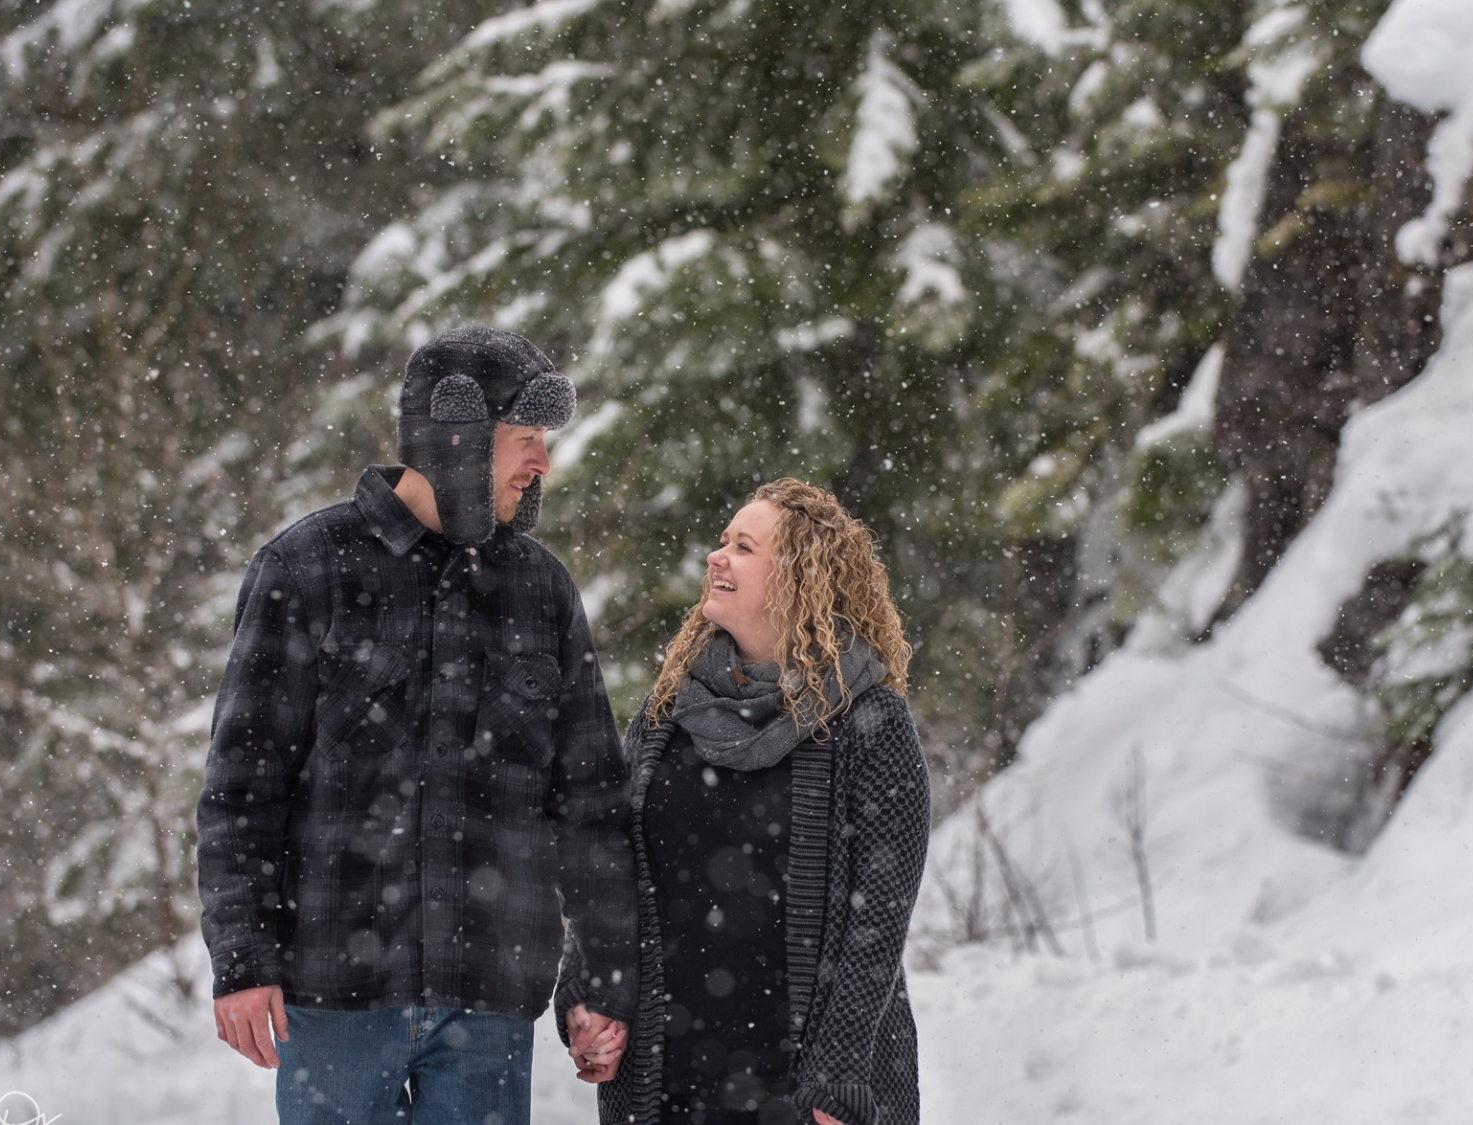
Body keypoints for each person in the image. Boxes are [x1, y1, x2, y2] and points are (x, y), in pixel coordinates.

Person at [196, 326, 637, 1125]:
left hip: (488, 1005)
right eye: (525, 439)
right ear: (458, 436)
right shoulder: (305, 568)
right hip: (333, 999)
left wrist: (603, 975)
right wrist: (241, 957)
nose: (542, 463)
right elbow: (241, 788)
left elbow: (591, 802)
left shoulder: (540, 590)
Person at [557, 479, 930, 1125]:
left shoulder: (870, 720)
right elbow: (609, 868)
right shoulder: (668, 711)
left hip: (807, 1089)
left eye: (744, 545)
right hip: (670, 1076)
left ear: (799, 576)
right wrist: (586, 994)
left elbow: (880, 920)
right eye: (721, 540)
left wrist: (839, 1075)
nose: (716, 556)